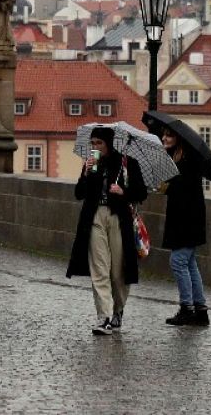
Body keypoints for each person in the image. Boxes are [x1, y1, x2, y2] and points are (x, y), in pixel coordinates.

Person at [66, 125, 147, 335]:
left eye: (99, 143)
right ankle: (104, 317)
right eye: (92, 143)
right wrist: (85, 174)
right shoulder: (92, 165)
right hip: (95, 217)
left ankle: (118, 310)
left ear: (108, 144)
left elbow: (141, 192)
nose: (95, 147)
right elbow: (79, 193)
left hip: (119, 218)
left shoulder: (127, 163)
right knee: (99, 269)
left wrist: (123, 191)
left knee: (119, 270)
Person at [158, 126, 210, 327]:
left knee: (178, 262)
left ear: (179, 138)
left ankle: (187, 308)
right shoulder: (176, 157)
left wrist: (167, 185)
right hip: (187, 217)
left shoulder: (187, 160)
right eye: (164, 134)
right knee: (189, 264)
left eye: (169, 135)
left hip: (187, 218)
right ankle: (200, 310)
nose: (164, 138)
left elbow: (181, 187)